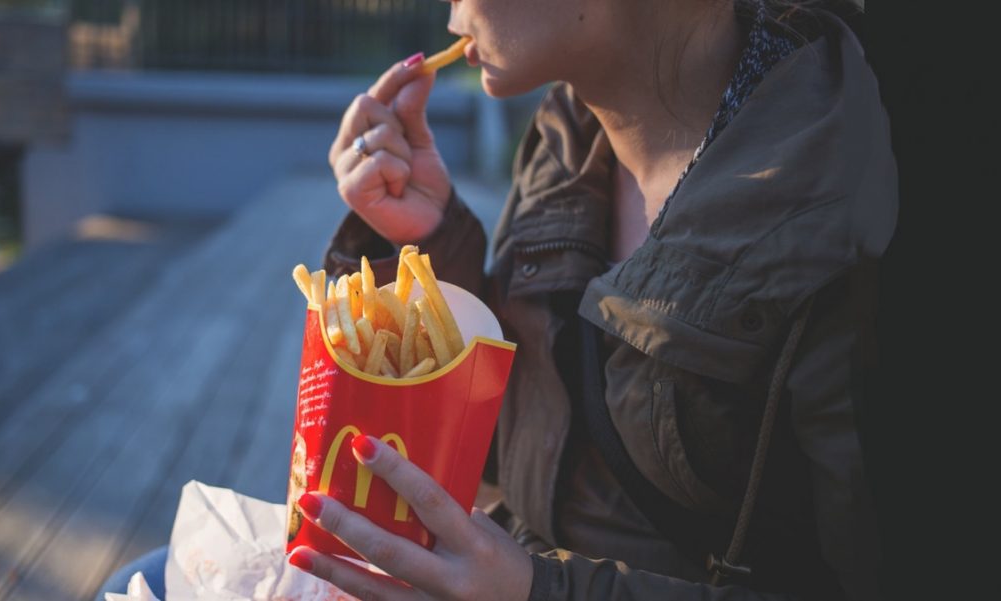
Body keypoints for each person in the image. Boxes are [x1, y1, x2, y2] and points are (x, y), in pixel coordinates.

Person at [96, 0, 893, 598]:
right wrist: (429, 240)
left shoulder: (848, 196)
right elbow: (526, 453)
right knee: (147, 577)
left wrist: (534, 591)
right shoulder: (570, 136)